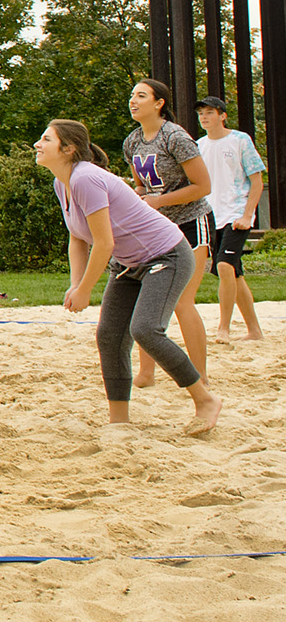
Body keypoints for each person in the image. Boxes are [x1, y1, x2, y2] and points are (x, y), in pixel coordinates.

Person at [34, 119, 221, 435]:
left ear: (69, 149)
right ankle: (119, 421)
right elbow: (78, 237)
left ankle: (205, 400)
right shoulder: (61, 183)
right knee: (110, 336)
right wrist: (75, 284)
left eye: (46, 139)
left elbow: (103, 243)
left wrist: (86, 290)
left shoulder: (85, 178)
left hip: (167, 255)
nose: (37, 144)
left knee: (146, 330)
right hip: (129, 262)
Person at [122, 79, 212, 387]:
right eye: (132, 95)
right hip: (156, 228)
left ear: (159, 103)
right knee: (147, 302)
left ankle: (199, 376)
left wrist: (159, 201)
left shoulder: (175, 137)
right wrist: (130, 194)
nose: (133, 101)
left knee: (183, 301)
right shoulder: (132, 141)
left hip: (190, 221)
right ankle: (146, 373)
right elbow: (142, 186)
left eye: (141, 96)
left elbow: (203, 186)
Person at [194, 96, 266, 344]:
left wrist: (247, 215)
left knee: (224, 266)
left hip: (236, 214)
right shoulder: (199, 145)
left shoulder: (240, 140)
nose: (204, 117)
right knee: (234, 273)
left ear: (222, 116)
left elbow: (256, 181)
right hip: (211, 216)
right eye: (201, 113)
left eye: (209, 112)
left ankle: (223, 328)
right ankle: (254, 331)